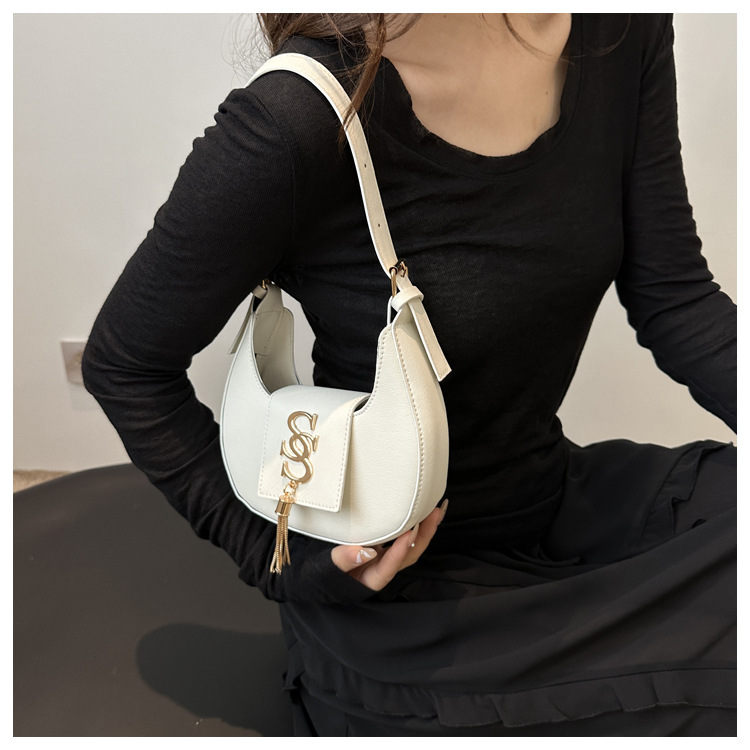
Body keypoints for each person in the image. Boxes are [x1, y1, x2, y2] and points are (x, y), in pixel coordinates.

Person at [81, 13, 736, 736]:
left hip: (556, 505)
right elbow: (125, 364)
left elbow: (677, 298)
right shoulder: (298, 118)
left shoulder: (621, 29)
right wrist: (272, 559)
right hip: (406, 605)